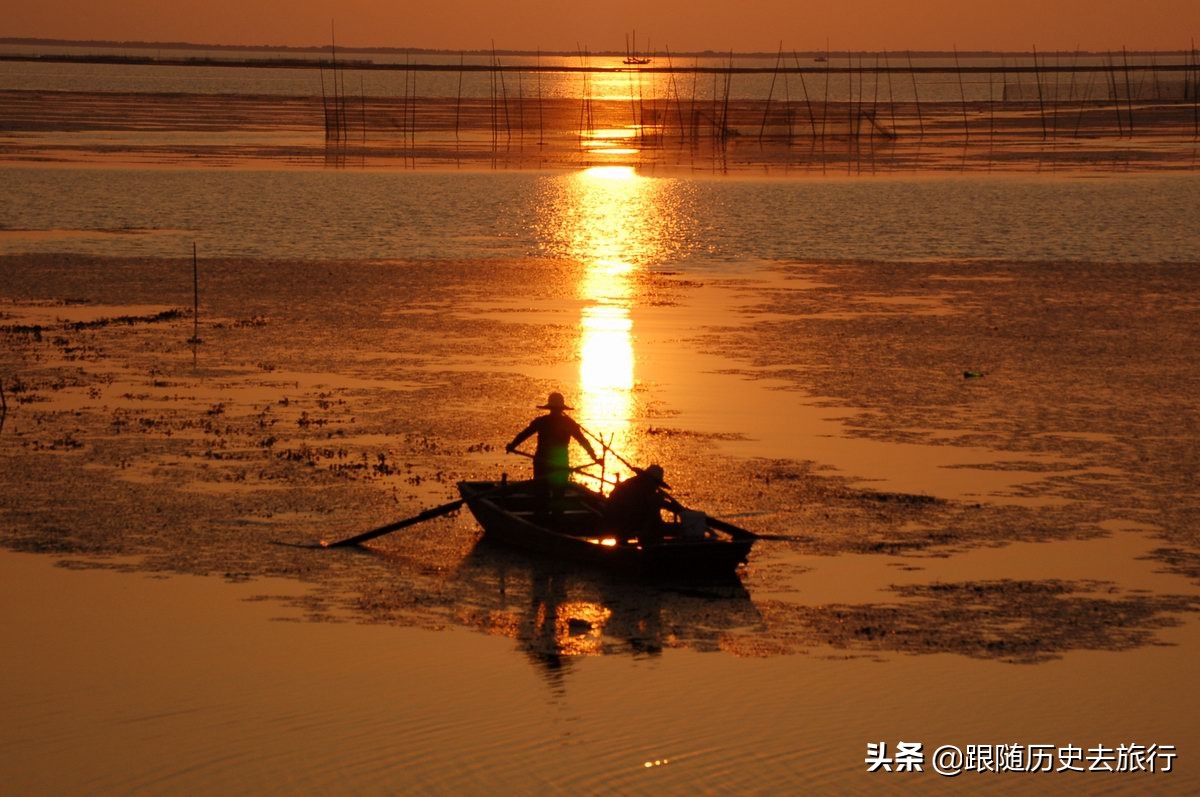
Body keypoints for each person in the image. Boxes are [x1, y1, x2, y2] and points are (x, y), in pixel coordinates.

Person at [506, 392, 597, 497]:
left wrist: (512, 445)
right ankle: (556, 511)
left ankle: (545, 510)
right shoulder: (568, 423)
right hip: (557, 462)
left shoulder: (544, 421)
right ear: (562, 408)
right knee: (557, 494)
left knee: (542, 494)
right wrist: (594, 457)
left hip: (545, 461)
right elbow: (583, 441)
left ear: (550, 407)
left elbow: (524, 434)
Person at [603, 464, 670, 543]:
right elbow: (636, 508)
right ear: (648, 479)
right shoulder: (638, 489)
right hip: (618, 520)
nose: (655, 486)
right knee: (653, 510)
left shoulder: (638, 485)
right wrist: (656, 503)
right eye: (655, 483)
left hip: (618, 517)